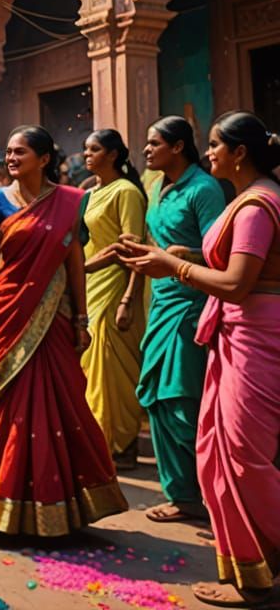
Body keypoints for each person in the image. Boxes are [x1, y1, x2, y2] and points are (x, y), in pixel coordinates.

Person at [121, 111, 280, 609]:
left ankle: (257, 576)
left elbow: (237, 283)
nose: (207, 151)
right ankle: (249, 565)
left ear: (239, 153)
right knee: (220, 447)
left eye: (214, 144)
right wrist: (185, 255)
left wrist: (175, 265)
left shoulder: (255, 205)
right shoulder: (248, 198)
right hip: (237, 332)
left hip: (254, 336)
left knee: (243, 457)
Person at [0, 125, 127, 536]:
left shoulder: (70, 201)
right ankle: (3, 502)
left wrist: (82, 319)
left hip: (55, 317)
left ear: (45, 158)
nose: (11, 158)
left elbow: (74, 262)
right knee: (8, 409)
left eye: (20, 152)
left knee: (61, 404)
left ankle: (59, 506)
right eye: (8, 151)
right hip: (7, 314)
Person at [132, 116, 224, 524]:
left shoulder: (204, 190)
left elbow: (222, 254)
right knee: (158, 399)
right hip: (161, 302)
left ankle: (210, 494)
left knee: (184, 401)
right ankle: (182, 495)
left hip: (191, 305)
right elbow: (158, 244)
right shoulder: (155, 187)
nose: (147, 150)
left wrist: (183, 257)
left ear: (179, 147)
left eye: (154, 143)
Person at [80, 129, 148, 469]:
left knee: (114, 371)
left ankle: (121, 445)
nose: (86, 155)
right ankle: (96, 442)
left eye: (93, 149)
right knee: (90, 366)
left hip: (116, 288)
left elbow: (134, 249)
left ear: (112, 155)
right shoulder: (89, 193)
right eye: (85, 149)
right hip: (89, 286)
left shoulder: (126, 192)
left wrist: (128, 300)